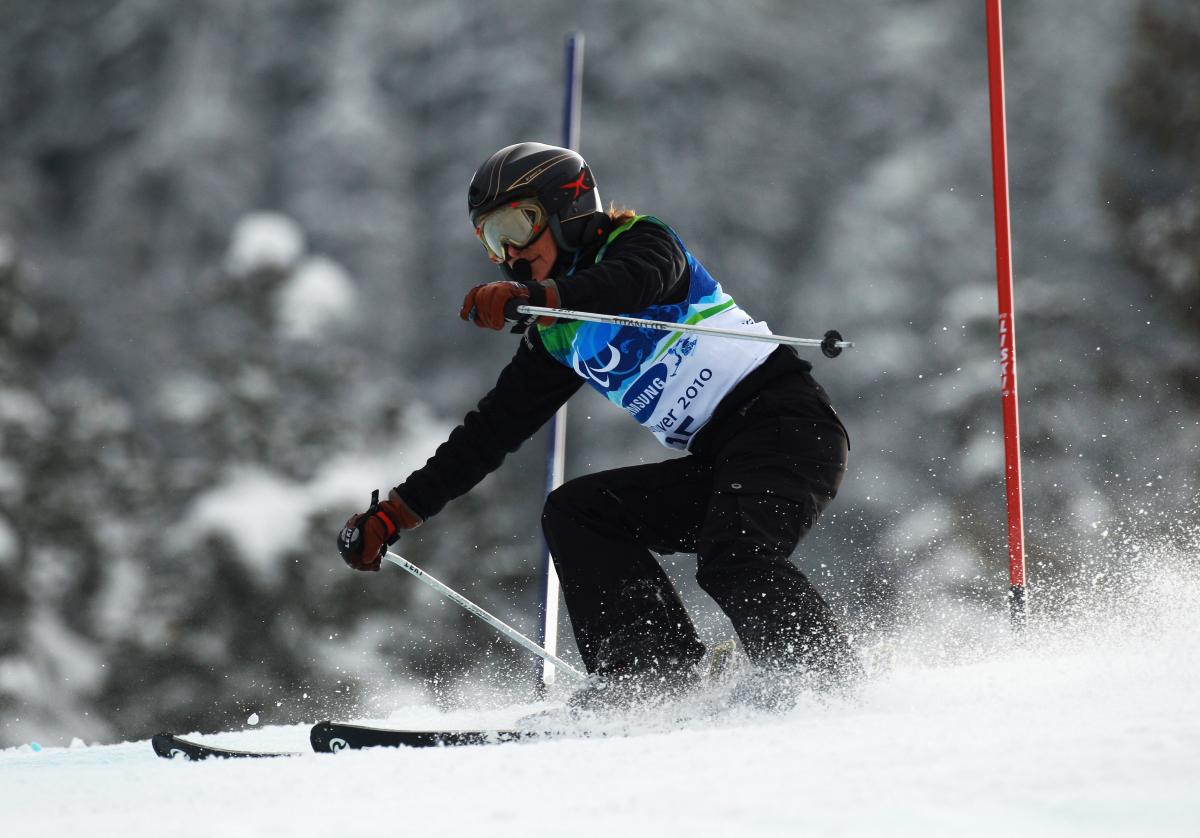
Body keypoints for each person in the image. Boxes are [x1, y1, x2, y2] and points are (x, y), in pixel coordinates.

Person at [338, 142, 858, 707]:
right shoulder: (557, 336)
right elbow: (489, 433)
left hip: (785, 426)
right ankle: (652, 679)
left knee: (732, 557)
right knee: (579, 512)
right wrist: (395, 513)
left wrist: (537, 297)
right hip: (721, 459)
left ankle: (821, 682)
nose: (510, 252)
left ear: (567, 207)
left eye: (517, 224)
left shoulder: (643, 243)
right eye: (491, 239)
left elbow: (634, 282)